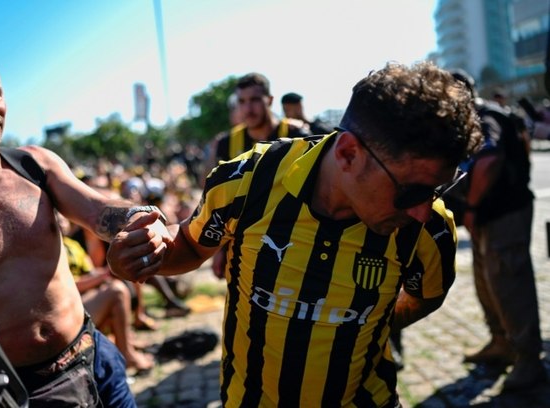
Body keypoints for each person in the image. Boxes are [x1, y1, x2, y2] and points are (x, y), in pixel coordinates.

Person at [109, 61, 483, 407]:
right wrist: (147, 250)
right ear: (349, 154)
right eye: (411, 191)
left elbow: (425, 296)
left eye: (437, 190)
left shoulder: (430, 228)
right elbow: (191, 243)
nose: (421, 210)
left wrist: (366, 324)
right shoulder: (248, 181)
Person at [0, 49, 169, 407]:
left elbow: (98, 208)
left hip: (94, 360)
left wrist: (140, 218)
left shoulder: (35, 165)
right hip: (16, 393)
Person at [452, 70, 547, 391]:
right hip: (489, 215)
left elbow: (488, 158)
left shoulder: (483, 115)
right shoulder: (482, 115)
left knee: (510, 285)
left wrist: (473, 207)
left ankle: (529, 360)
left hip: (501, 214)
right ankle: (501, 344)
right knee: (488, 281)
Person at [203, 73, 311, 279]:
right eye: (242, 101)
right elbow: (220, 200)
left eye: (254, 100)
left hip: (293, 238)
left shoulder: (298, 134)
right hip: (244, 242)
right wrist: (218, 250)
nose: (248, 108)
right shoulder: (227, 143)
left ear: (269, 100)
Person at [58, 213, 155, 374]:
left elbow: (91, 273)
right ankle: (127, 354)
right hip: (69, 310)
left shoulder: (72, 245)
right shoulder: (51, 251)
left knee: (120, 281)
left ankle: (126, 341)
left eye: (62, 219)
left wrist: (104, 275)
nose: (61, 222)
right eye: (56, 219)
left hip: (84, 301)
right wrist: (103, 276)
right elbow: (68, 286)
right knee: (116, 292)